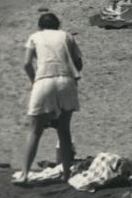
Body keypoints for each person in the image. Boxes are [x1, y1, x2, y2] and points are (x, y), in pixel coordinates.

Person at [16, 13, 82, 184]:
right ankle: (67, 175)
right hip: (66, 80)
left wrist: (34, 81)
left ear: (40, 26)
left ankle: (24, 174)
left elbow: (26, 63)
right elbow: (78, 63)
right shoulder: (67, 36)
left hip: (43, 80)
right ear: (57, 25)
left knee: (35, 130)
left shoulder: (35, 37)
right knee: (64, 130)